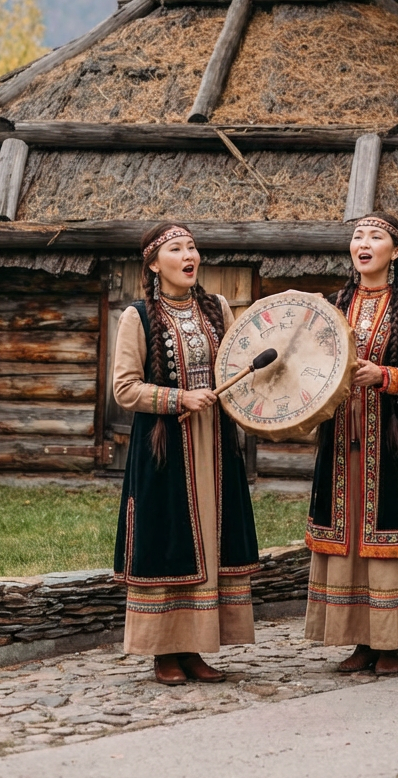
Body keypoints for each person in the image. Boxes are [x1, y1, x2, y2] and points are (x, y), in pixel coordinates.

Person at [112, 222, 259, 685]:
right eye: (176, 248)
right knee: (169, 539)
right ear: (155, 264)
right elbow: (124, 388)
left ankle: (196, 646)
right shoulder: (137, 316)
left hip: (215, 445)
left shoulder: (218, 309)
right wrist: (179, 399)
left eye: (192, 246)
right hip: (165, 450)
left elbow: (242, 366)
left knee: (211, 540)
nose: (188, 254)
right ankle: (163, 652)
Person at [305, 211, 398, 675]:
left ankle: (391, 643)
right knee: (349, 538)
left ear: (396, 251)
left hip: (393, 442)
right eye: (357, 236)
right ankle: (359, 640)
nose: (364, 242)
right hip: (343, 438)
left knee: (384, 535)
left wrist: (383, 375)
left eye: (376, 236)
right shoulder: (332, 304)